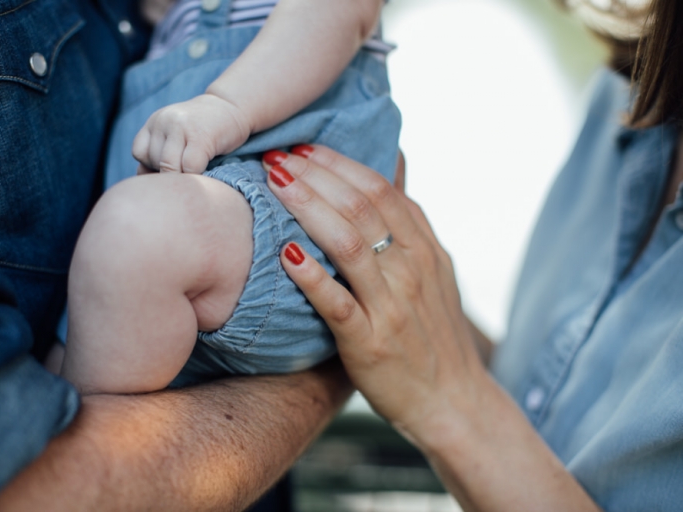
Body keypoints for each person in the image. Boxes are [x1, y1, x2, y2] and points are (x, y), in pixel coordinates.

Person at [0, 1, 353, 511]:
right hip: (195, 241)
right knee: (114, 278)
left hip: (271, 199)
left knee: (140, 233)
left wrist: (228, 104)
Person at [260, 0, 683, 509]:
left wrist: (451, 402)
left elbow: (471, 405)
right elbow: (548, 412)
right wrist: (391, 295)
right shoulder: (633, 91)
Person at [58, 0, 400, 393]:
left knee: (138, 233)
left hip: (280, 218)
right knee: (54, 367)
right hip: (138, 267)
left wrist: (227, 105)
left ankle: (91, 445)